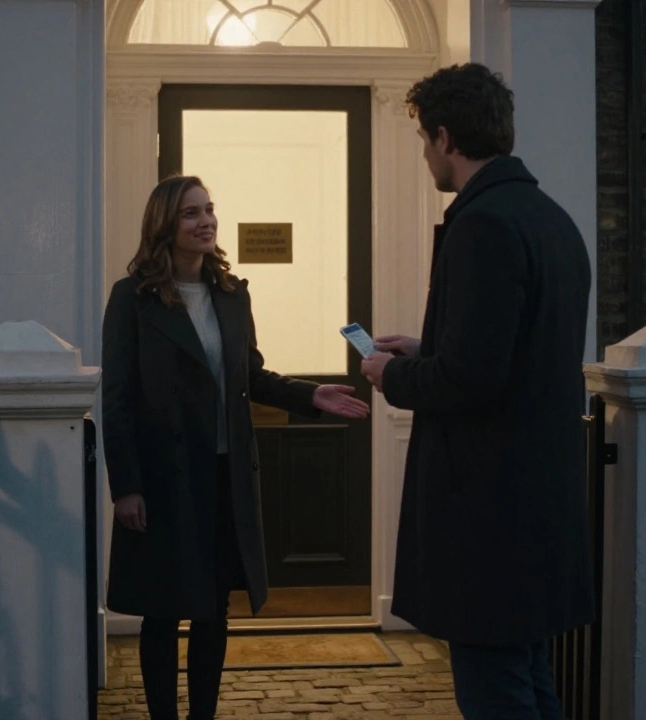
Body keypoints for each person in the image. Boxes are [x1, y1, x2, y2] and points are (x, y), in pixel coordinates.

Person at [359, 63, 594, 720]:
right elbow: (513, 356)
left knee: (497, 693)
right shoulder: (552, 221)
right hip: (539, 502)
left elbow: (473, 379)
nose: (426, 154)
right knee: (533, 681)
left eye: (424, 140)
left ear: (444, 137)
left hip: (492, 513)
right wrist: (425, 348)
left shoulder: (483, 225)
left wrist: (391, 375)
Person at [101, 175, 370, 720]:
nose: (206, 222)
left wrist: (310, 394)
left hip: (225, 474)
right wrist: (125, 485)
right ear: (164, 225)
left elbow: (251, 376)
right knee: (162, 610)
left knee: (213, 609)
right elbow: (118, 396)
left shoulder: (231, 294)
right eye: (190, 214)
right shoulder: (133, 298)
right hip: (163, 476)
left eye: (209, 210)